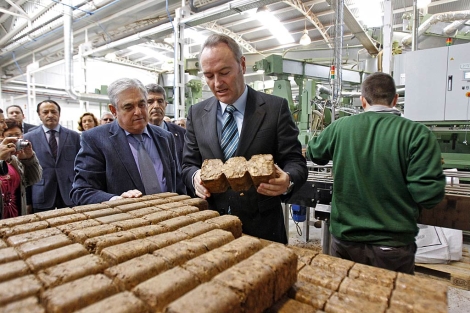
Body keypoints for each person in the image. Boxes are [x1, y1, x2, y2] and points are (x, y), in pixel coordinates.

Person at [306, 72, 446, 274]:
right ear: (395, 99)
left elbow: (314, 153)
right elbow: (428, 196)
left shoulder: (341, 127)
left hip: (345, 241)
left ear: (363, 100)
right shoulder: (417, 133)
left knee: (344, 299)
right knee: (387, 303)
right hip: (392, 246)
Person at [182, 34, 307, 244]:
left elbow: (295, 162)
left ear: (242, 65)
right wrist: (194, 177)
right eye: (209, 76)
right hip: (213, 227)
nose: (217, 83)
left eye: (224, 72)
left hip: (263, 227)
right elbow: (188, 164)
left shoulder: (274, 109)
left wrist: (288, 181)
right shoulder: (196, 113)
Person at [71, 78, 186, 205]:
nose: (138, 112)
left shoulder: (165, 137)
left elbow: (177, 184)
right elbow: (81, 191)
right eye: (129, 107)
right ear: (114, 110)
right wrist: (116, 200)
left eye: (142, 104)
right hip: (125, 221)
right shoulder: (95, 140)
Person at [23, 100, 81, 212]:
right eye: (45, 112)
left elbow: (81, 165)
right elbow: (26, 171)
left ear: (59, 114)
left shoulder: (74, 136)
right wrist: (28, 200)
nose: (50, 115)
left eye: (53, 112)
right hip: (41, 191)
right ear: (39, 115)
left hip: (70, 192)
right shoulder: (29, 138)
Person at [0, 118, 42, 218]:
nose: (5, 126)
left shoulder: (12, 158)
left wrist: (28, 159)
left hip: (16, 216)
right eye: (1, 122)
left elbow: (31, 180)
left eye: (18, 134)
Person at [145, 83, 186, 166]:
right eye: (150, 102)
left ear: (165, 104)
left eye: (160, 101)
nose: (156, 106)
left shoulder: (182, 134)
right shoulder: (136, 135)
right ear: (142, 105)